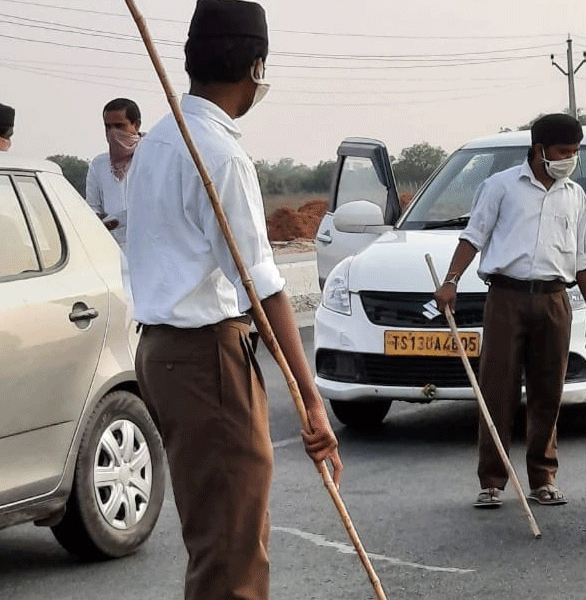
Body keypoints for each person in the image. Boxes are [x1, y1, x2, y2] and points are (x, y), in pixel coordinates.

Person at [125, 2, 343, 598]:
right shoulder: (217, 154)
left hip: (166, 353)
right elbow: (263, 287)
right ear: (255, 67)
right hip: (205, 358)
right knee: (230, 550)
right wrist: (310, 402)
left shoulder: (157, 143)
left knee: (221, 532)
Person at [434, 113, 586, 509]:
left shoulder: (574, 196)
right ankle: (492, 480)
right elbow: (472, 237)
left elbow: (584, 259)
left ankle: (543, 478)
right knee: (498, 388)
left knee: (548, 392)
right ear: (538, 149)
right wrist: (451, 280)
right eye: (563, 152)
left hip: (555, 300)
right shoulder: (500, 187)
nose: (569, 159)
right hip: (506, 299)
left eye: (575, 152)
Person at [86, 98, 142, 249]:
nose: (113, 132)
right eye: (108, 127)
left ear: (136, 125)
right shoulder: (99, 164)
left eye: (119, 126)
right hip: (112, 249)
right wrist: (102, 218)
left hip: (149, 248)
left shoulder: (152, 157)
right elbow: (92, 206)